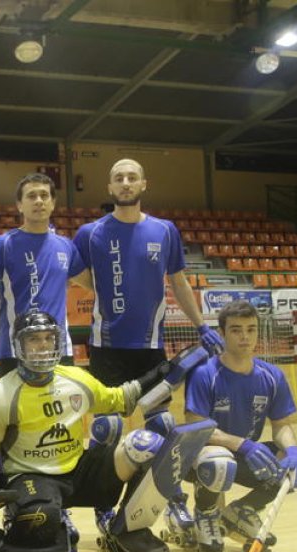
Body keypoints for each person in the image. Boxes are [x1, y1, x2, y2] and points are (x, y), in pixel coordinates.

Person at [0, 310, 200, 552]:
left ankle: (127, 531)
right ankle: (24, 523)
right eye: (34, 339)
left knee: (147, 445)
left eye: (48, 338)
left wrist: (169, 369)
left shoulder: (75, 378)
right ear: (18, 345)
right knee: (42, 528)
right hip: (31, 477)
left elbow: (123, 398)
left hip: (78, 472)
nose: (43, 345)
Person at [73, 158, 224, 436]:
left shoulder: (165, 231)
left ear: (144, 184)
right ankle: (102, 479)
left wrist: (202, 325)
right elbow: (73, 272)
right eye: (119, 178)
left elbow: (179, 283)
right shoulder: (89, 234)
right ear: (110, 187)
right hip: (106, 347)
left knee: (161, 423)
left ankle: (155, 480)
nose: (126, 183)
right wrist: (100, 287)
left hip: (151, 346)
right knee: (107, 428)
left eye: (132, 177)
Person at [178, 300, 297, 552]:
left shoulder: (272, 376)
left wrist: (290, 450)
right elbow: (197, 427)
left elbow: (281, 424)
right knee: (219, 463)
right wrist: (243, 444)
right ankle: (206, 515)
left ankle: (241, 511)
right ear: (222, 334)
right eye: (236, 330)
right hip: (204, 457)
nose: (245, 336)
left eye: (251, 329)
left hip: (250, 455)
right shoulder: (204, 373)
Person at [0, 172, 92, 376]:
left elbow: (94, 285)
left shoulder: (66, 247)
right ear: (19, 205)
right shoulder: (2, 246)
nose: (39, 201)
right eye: (31, 196)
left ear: (53, 203)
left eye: (44, 195)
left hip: (59, 350)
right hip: (14, 351)